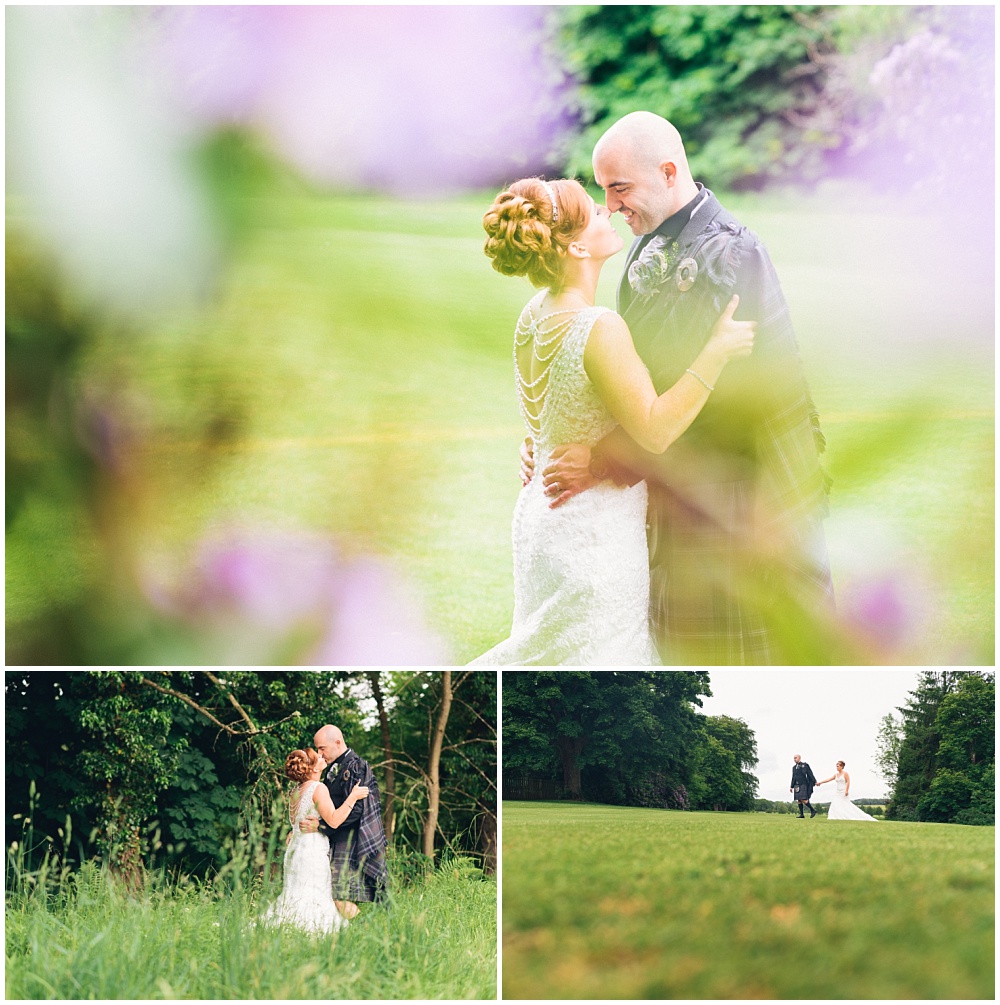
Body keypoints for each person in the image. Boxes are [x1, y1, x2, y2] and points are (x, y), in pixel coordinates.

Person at [524, 111, 834, 665]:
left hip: (736, 489)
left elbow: (708, 403)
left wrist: (598, 459)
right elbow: (628, 377)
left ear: (669, 172)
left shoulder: (725, 254)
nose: (612, 208)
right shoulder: (651, 245)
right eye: (604, 193)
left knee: (737, 654)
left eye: (619, 190)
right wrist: (552, 439)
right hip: (678, 483)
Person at [470, 175, 755, 664]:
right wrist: (716, 352)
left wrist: (534, 448)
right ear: (577, 246)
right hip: (594, 539)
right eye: (593, 210)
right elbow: (657, 429)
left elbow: (552, 410)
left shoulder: (532, 315)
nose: (607, 210)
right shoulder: (598, 327)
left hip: (541, 524)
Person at [262, 747, 369, 934]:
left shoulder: (295, 791)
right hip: (311, 853)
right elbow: (334, 820)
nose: (322, 756)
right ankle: (310, 932)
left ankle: (289, 930)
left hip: (295, 851)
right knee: (314, 897)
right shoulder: (318, 788)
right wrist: (353, 796)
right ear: (313, 768)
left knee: (297, 895)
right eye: (317, 756)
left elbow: (297, 822)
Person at [300, 725, 389, 911]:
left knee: (340, 897)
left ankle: (367, 931)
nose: (319, 753)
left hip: (350, 840)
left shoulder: (357, 766)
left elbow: (358, 810)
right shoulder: (333, 767)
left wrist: (321, 826)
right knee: (333, 896)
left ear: (338, 742)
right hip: (335, 838)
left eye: (322, 748)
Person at [790, 754, 818, 818]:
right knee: (799, 800)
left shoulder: (805, 765)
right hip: (796, 785)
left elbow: (810, 773)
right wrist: (791, 786)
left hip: (803, 784)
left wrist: (815, 781)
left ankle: (813, 810)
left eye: (796, 758)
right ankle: (802, 814)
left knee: (804, 799)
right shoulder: (794, 768)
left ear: (799, 758)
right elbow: (793, 777)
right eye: (794, 758)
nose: (794, 759)